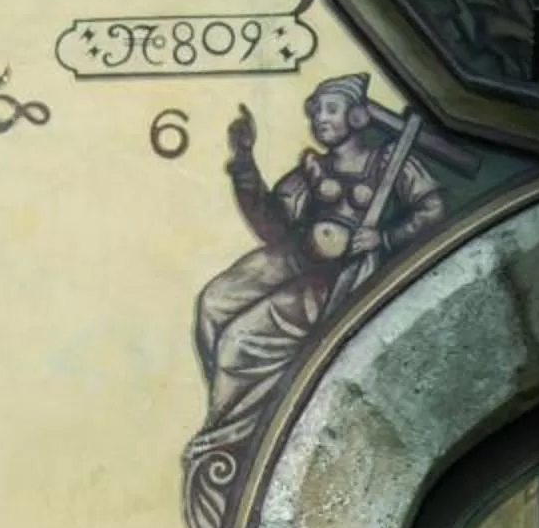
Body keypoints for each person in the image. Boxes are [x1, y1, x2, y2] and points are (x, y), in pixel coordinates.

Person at [191, 74, 446, 423]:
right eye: (316, 112)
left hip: (340, 274)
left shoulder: (389, 163)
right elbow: (273, 225)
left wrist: (384, 238)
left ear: (356, 117)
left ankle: (231, 426)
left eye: (331, 110)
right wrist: (245, 162)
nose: (320, 119)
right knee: (213, 302)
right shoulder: (312, 170)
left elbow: (431, 210)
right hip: (299, 256)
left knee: (239, 342)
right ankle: (230, 407)